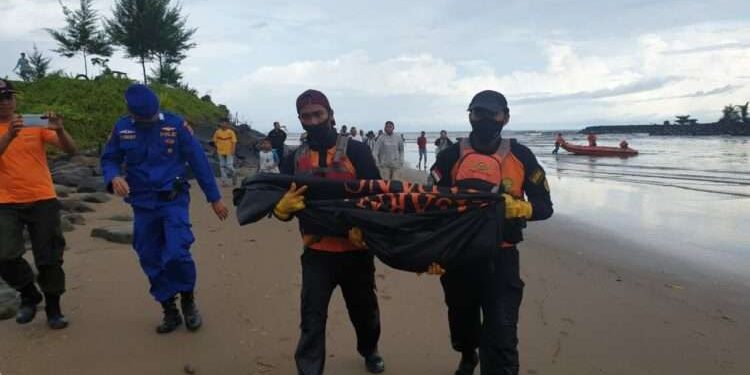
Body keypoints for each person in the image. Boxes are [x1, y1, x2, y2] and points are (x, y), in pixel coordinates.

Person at [429, 90, 553, 375]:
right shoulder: (449, 157)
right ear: (470, 116)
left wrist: (521, 208)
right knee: (462, 322)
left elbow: (545, 206)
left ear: (505, 118)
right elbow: (428, 208)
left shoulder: (521, 156)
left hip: (503, 257)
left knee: (502, 333)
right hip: (459, 257)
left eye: (492, 113)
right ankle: (467, 354)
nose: (485, 119)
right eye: (478, 113)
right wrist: (431, 253)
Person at [101, 84, 229, 334]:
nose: (149, 120)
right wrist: (113, 176)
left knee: (177, 252)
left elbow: (199, 161)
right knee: (149, 256)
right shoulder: (122, 128)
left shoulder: (176, 126)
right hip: (142, 204)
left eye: (152, 115)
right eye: (143, 117)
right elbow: (110, 158)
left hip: (173, 201)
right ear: (132, 112)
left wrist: (214, 198)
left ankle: (188, 301)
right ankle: (168, 308)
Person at [276, 89, 385, 375]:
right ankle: (309, 370)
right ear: (299, 120)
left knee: (365, 313)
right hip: (317, 252)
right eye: (306, 116)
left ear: (330, 115)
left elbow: (379, 197)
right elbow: (281, 207)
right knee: (311, 317)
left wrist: (366, 226)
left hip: (356, 251)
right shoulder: (293, 159)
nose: (313, 121)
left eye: (318, 114)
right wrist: (281, 209)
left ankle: (369, 350)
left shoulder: (357, 151)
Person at [0, 79, 77, 329]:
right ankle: (29, 294)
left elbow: (71, 151)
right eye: (1, 97)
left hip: (42, 198)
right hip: (4, 201)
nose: (5, 101)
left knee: (49, 257)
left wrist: (60, 130)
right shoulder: (15, 128)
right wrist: (9, 135)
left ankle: (54, 309)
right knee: (4, 255)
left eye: (9, 96)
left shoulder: (33, 123)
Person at [212, 118, 238, 186]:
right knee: (222, 166)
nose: (223, 124)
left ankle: (234, 173)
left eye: (225, 123)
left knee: (229, 166)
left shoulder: (231, 132)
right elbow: (215, 141)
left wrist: (233, 150)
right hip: (220, 151)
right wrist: (217, 147)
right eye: (222, 123)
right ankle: (224, 182)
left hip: (229, 151)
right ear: (220, 124)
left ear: (228, 124)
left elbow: (234, 142)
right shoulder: (217, 132)